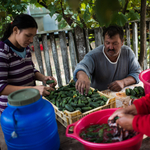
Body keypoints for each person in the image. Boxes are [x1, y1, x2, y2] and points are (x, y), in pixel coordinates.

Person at [0, 14, 57, 114]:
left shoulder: (25, 49)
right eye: (28, 35)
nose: (31, 40)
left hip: (30, 104)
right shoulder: (2, 52)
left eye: (33, 36)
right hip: (13, 110)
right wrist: (33, 89)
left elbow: (30, 70)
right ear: (16, 30)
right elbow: (1, 87)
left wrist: (43, 78)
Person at [73, 25, 141, 95]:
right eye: (107, 43)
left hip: (123, 95)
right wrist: (82, 75)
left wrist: (123, 82)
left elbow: (137, 73)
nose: (110, 47)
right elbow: (82, 66)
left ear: (122, 42)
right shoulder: (93, 55)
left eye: (115, 43)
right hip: (100, 98)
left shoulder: (128, 52)